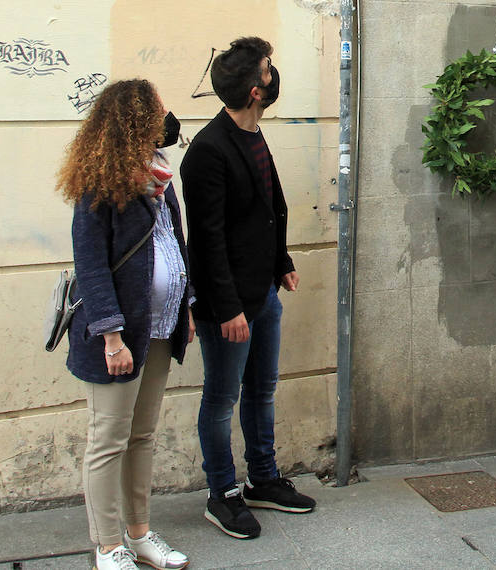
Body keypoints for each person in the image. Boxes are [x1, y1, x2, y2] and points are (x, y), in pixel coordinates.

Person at [182, 37, 316, 541]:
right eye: (268, 69)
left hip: (263, 295)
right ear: (256, 90)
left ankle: (263, 479)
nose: (273, 74)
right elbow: (208, 240)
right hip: (228, 307)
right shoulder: (208, 152)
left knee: (261, 391)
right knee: (220, 400)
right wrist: (227, 308)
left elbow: (266, 208)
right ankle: (223, 494)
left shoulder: (254, 135)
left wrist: (281, 261)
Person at [57, 79, 194, 570]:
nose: (168, 115)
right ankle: (108, 545)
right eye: (160, 108)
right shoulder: (99, 185)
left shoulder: (159, 176)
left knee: (142, 436)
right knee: (108, 440)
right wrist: (111, 335)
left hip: (158, 326)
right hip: (117, 334)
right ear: (137, 120)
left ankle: (139, 535)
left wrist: (186, 306)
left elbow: (172, 245)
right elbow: (91, 266)